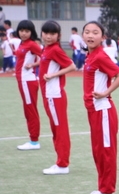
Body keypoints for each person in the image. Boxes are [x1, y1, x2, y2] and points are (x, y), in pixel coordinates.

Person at [81, 21, 119, 194]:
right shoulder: (90, 56)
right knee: (98, 151)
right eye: (87, 32)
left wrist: (106, 93)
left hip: (103, 112)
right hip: (93, 111)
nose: (90, 35)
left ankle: (107, 192)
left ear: (102, 37)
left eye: (95, 32)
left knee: (106, 152)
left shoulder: (100, 56)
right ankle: (102, 188)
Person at [36, 20, 76, 174]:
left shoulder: (55, 50)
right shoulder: (46, 49)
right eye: (46, 33)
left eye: (52, 33)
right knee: (56, 129)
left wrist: (53, 75)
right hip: (48, 95)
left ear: (58, 35)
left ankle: (62, 164)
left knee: (60, 130)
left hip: (54, 95)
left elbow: (72, 66)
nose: (48, 36)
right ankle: (60, 161)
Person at [14, 20, 43, 150]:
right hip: (22, 81)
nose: (24, 33)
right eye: (21, 31)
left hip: (28, 81)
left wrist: (33, 64)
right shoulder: (22, 43)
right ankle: (33, 139)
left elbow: (46, 56)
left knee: (30, 110)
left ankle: (34, 141)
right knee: (28, 110)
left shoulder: (31, 44)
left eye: (27, 31)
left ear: (31, 32)